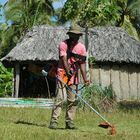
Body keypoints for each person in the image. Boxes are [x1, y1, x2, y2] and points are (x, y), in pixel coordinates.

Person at [49, 24, 89, 129]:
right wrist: (67, 71)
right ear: (69, 35)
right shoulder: (63, 44)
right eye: (73, 35)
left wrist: (85, 79)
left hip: (74, 76)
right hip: (62, 73)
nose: (74, 37)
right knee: (60, 98)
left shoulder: (81, 48)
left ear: (79, 36)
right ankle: (54, 121)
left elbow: (82, 64)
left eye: (76, 36)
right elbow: (64, 59)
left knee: (72, 100)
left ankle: (69, 122)